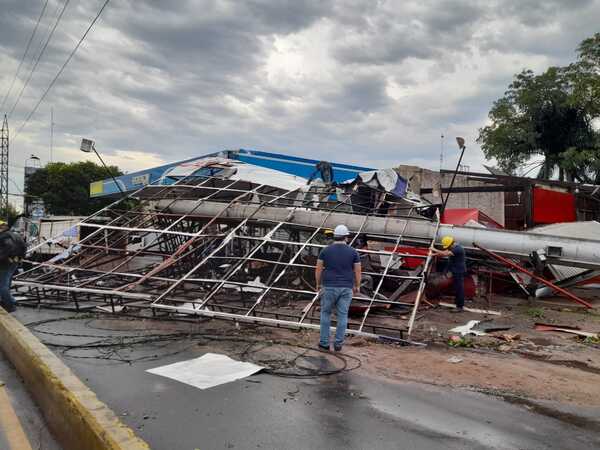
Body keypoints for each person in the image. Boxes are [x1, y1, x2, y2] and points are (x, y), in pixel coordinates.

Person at [315, 224, 361, 351]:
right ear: (346, 237)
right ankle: (338, 344)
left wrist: (318, 284)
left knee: (325, 313)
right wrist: (357, 285)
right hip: (346, 288)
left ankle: (324, 343)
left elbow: (318, 269)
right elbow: (358, 270)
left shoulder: (325, 251)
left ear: (335, 236)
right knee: (342, 315)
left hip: (329, 286)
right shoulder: (353, 252)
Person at [431, 236, 466, 313]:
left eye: (448, 246)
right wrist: (433, 255)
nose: (447, 248)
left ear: (450, 244)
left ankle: (460, 307)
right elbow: (444, 252)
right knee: (456, 287)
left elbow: (445, 253)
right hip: (455, 270)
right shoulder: (453, 247)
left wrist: (434, 250)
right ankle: (458, 304)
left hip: (458, 271)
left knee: (459, 288)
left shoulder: (458, 249)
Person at [0, 221, 26, 313]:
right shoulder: (15, 235)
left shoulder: (3, 236)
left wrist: (2, 257)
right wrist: (20, 258)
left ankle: (10, 304)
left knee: (2, 285)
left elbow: (8, 248)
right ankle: (6, 301)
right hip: (14, 262)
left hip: (5, 263)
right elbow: (24, 247)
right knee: (6, 283)